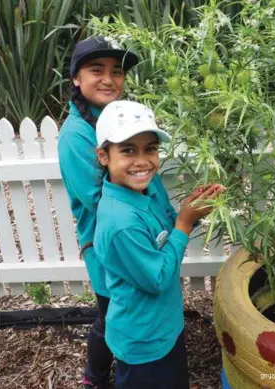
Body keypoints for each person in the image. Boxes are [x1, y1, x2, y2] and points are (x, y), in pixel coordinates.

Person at [94, 100, 225, 389]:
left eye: (150, 149)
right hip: (143, 341)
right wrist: (185, 224)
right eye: (128, 150)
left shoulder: (148, 187)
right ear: (104, 156)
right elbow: (157, 278)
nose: (142, 161)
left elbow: (168, 226)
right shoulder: (120, 223)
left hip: (164, 327)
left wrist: (192, 210)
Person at [58, 36, 139, 389]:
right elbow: (97, 199)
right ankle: (95, 377)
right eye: (96, 70)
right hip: (104, 242)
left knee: (126, 308)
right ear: (76, 78)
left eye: (116, 71)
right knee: (110, 314)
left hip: (127, 233)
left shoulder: (115, 120)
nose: (109, 79)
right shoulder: (76, 134)